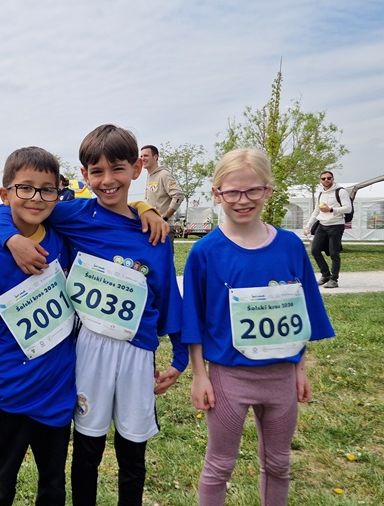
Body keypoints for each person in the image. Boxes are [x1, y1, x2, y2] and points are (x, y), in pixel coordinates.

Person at [0, 124, 184, 506]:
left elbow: (168, 295)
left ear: (137, 169)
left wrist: (180, 357)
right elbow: (5, 208)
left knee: (133, 454)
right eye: (97, 171)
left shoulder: (154, 234)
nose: (108, 180)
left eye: (118, 169)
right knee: (86, 451)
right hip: (90, 350)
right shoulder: (73, 215)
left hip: (137, 352)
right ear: (84, 175)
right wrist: (12, 238)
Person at [182, 148, 336, 506]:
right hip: (228, 378)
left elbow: (300, 312)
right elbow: (194, 319)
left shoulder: (289, 246)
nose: (243, 200)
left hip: (281, 376)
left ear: (268, 190)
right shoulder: (205, 252)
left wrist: (300, 368)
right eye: (232, 192)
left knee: (279, 463)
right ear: (216, 193)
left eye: (253, 190)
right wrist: (199, 375)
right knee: (219, 465)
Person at [0, 147, 76, 505]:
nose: (36, 197)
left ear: (58, 193)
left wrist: (145, 208)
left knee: (53, 485)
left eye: (47, 189)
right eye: (25, 187)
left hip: (58, 389)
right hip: (10, 394)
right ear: (6, 193)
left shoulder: (64, 241)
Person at [303, 171, 352, 288]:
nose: (326, 180)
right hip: (322, 224)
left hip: (336, 225)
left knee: (334, 253)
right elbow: (316, 210)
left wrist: (331, 210)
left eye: (329, 178)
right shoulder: (321, 193)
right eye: (323, 178)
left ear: (333, 179)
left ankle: (334, 279)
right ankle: (325, 275)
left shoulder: (340, 191)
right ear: (320, 180)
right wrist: (308, 225)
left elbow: (348, 208)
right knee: (315, 250)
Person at [141, 144, 185, 239]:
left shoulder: (164, 175)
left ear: (155, 157)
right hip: (152, 227)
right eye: (141, 156)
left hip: (164, 227)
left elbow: (178, 195)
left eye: (146, 155)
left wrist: (165, 217)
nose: (143, 158)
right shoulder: (149, 176)